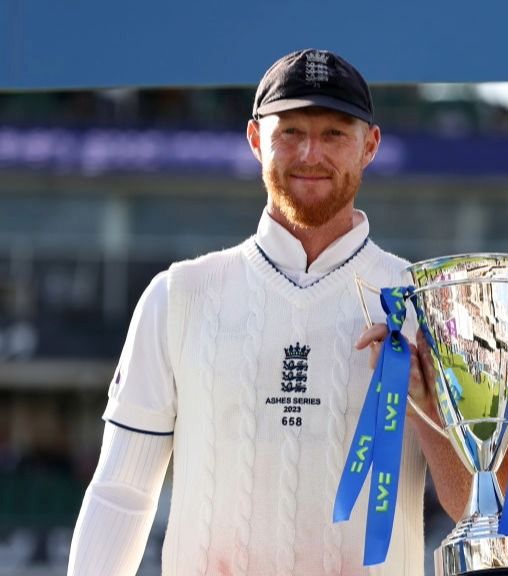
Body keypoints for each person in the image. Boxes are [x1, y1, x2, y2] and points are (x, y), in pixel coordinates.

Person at [67, 49, 469, 576]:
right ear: (256, 139)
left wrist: (430, 403)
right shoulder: (179, 295)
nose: (311, 153)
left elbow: (475, 509)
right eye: (291, 132)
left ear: (369, 145)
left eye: (334, 134)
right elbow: (122, 491)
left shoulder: (429, 305)